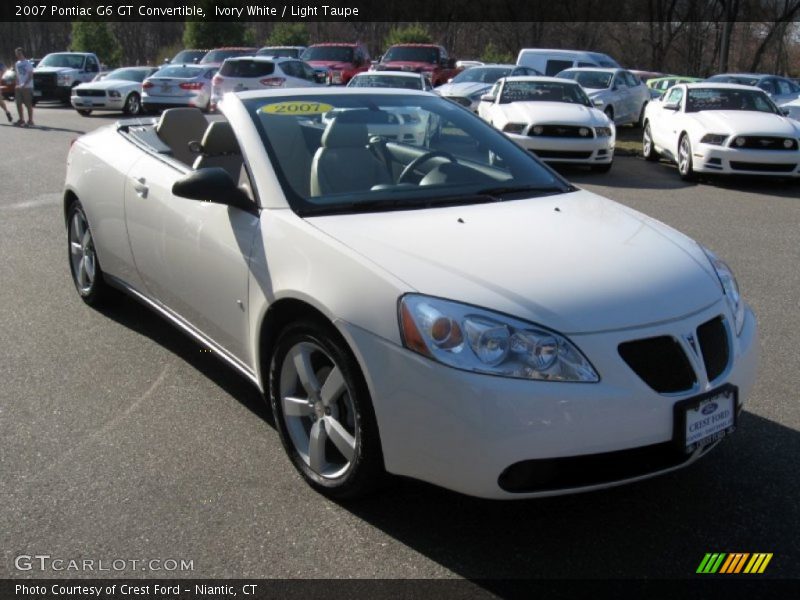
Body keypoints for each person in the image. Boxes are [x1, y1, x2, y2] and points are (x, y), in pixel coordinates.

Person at [14, 47, 34, 127]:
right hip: (19, 87)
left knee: (28, 104)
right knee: (18, 103)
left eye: (19, 53)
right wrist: (17, 84)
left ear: (22, 53)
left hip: (27, 87)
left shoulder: (28, 63)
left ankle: (30, 121)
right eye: (16, 53)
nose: (18, 55)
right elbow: (17, 75)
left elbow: (30, 76)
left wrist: (24, 84)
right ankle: (21, 119)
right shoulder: (17, 63)